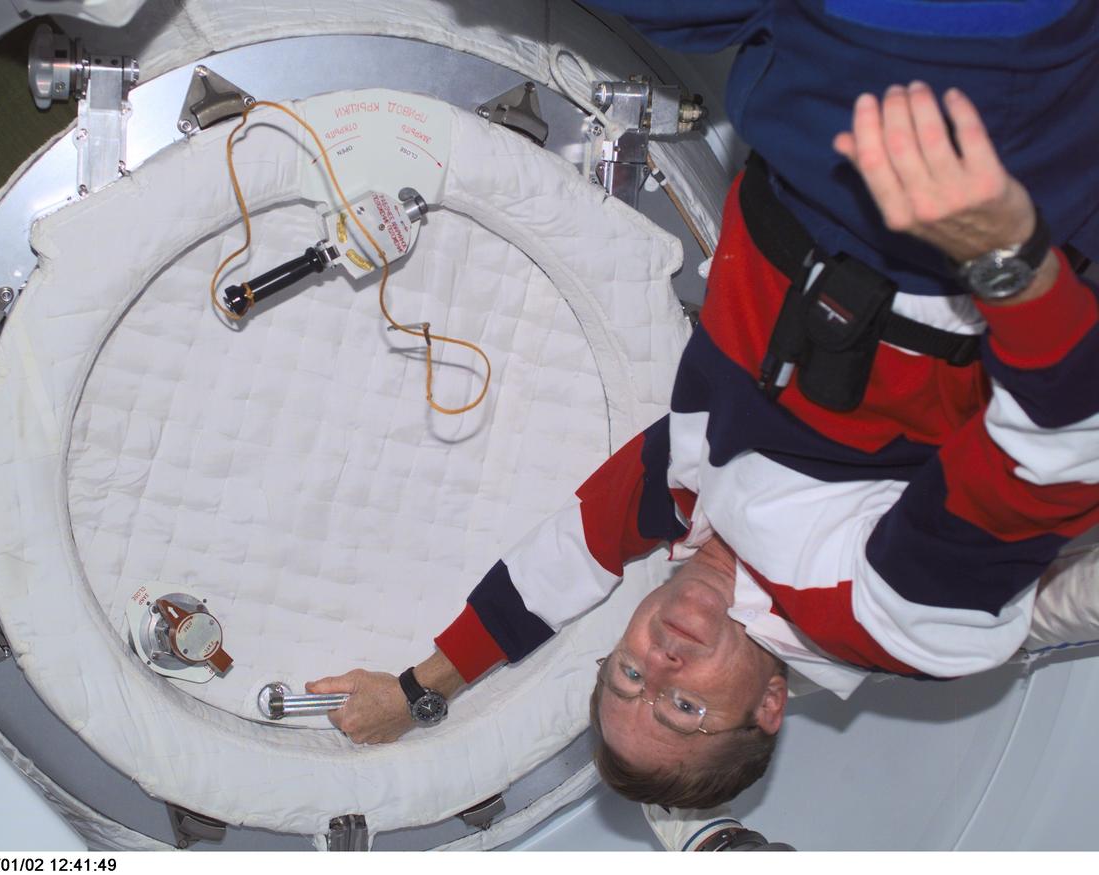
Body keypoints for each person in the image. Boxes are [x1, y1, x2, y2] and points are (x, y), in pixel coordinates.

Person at [308, 2, 1099, 810]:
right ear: (768, 705)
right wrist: (1008, 261)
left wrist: (415, 691)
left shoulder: (691, 499)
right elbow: (1056, 458)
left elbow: (559, 564)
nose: (661, 662)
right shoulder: (881, 617)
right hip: (934, 140)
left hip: (789, 108)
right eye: (684, 706)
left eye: (628, 674)